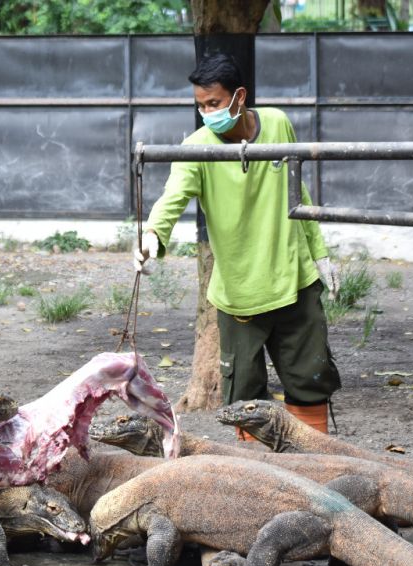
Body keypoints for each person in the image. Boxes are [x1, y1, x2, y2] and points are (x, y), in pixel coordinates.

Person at [134, 53, 341, 438]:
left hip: (294, 280)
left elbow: (300, 191)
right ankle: (256, 480)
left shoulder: (278, 123)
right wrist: (151, 236)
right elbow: (172, 196)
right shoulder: (197, 147)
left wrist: (321, 253)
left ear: (239, 96)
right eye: (200, 105)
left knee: (310, 381)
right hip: (239, 293)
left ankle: (316, 463)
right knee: (243, 399)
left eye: (213, 103)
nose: (207, 112)